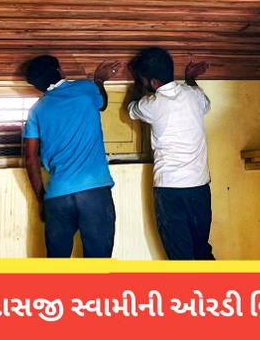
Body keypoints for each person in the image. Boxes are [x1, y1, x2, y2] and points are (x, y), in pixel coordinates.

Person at [22, 54, 122, 258]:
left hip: (57, 196)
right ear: (60, 71)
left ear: (37, 87)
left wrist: (41, 199)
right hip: (93, 192)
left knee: (57, 265)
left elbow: (30, 159)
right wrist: (99, 80)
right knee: (98, 263)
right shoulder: (86, 89)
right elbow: (102, 103)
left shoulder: (36, 111)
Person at [126, 47, 215, 260]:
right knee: (202, 251)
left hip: (170, 190)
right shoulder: (194, 95)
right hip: (200, 188)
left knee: (180, 258)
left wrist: (136, 83)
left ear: (153, 82)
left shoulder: (152, 104)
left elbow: (131, 109)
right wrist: (190, 78)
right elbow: (206, 105)